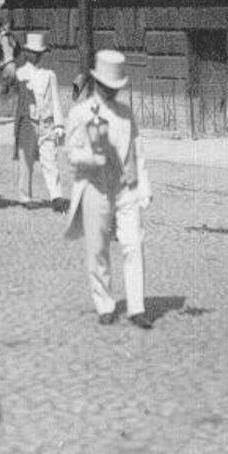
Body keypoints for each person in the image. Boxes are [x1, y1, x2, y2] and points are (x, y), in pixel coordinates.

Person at [64, 49, 153, 329]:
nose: (112, 92)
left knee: (133, 244)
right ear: (98, 84)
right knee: (98, 247)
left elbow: (137, 150)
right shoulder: (80, 113)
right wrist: (92, 159)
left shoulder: (126, 113)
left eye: (116, 88)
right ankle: (105, 304)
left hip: (125, 186)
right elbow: (71, 151)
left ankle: (137, 308)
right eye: (108, 88)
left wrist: (144, 187)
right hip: (95, 185)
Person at [13, 32, 65, 211]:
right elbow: (7, 90)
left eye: (38, 53)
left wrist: (59, 125)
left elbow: (56, 101)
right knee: (26, 159)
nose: (35, 56)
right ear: (27, 53)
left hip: (47, 124)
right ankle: (25, 196)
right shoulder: (19, 74)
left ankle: (56, 197)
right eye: (32, 52)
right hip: (28, 122)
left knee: (50, 159)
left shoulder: (49, 75)